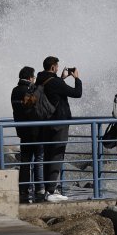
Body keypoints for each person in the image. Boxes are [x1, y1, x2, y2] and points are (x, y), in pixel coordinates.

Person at [36, 56, 82, 203]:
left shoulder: (40, 80)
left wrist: (61, 79)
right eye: (57, 66)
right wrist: (77, 78)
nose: (57, 68)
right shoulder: (54, 82)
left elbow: (54, 92)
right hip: (59, 122)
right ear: (53, 67)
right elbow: (77, 93)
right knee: (57, 154)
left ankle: (47, 189)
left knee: (48, 155)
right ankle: (52, 191)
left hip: (46, 123)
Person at [10, 66, 45, 204]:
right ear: (30, 77)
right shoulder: (29, 90)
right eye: (34, 77)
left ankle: (23, 189)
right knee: (39, 159)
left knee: (25, 161)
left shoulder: (15, 90)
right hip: (35, 130)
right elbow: (34, 108)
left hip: (22, 130)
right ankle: (40, 189)